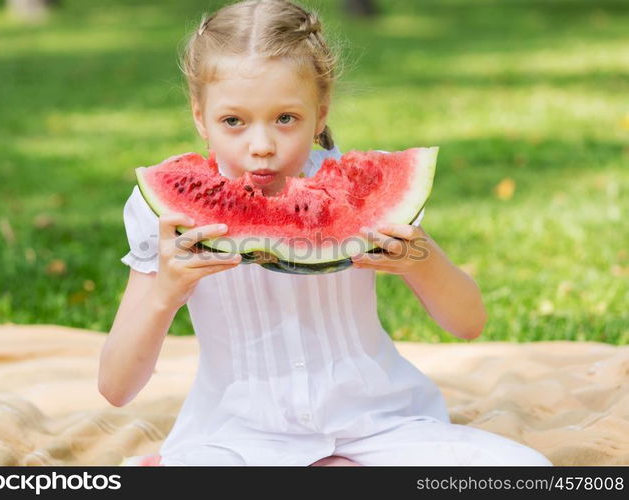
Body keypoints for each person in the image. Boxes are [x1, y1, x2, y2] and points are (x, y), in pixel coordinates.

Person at [99, 0, 553, 467]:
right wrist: (164, 295)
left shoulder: (359, 191)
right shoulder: (163, 219)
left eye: (285, 119)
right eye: (233, 121)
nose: (261, 147)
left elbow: (468, 322)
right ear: (200, 116)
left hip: (378, 423)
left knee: (527, 473)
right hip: (238, 437)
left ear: (320, 114)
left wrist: (423, 261)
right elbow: (116, 388)